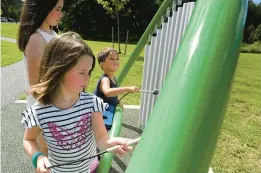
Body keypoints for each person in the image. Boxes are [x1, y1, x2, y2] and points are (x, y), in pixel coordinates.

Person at [21, 32, 133, 173]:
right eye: (81, 73)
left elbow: (102, 138)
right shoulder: (39, 111)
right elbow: (29, 140)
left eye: (89, 72)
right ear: (60, 70)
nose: (87, 79)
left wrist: (111, 143)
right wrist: (38, 157)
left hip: (90, 169)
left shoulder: (92, 103)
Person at [17, 0, 63, 156]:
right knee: (46, 157)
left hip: (58, 104)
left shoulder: (53, 34)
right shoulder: (36, 39)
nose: (61, 14)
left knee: (55, 158)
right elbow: (36, 85)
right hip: (45, 109)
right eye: (58, 9)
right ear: (44, 8)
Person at [94, 48, 139, 130]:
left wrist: (118, 101)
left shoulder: (113, 78)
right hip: (101, 115)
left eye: (117, 59)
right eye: (111, 59)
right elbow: (107, 92)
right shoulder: (105, 79)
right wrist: (127, 89)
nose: (115, 61)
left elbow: (113, 93)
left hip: (108, 112)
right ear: (102, 65)